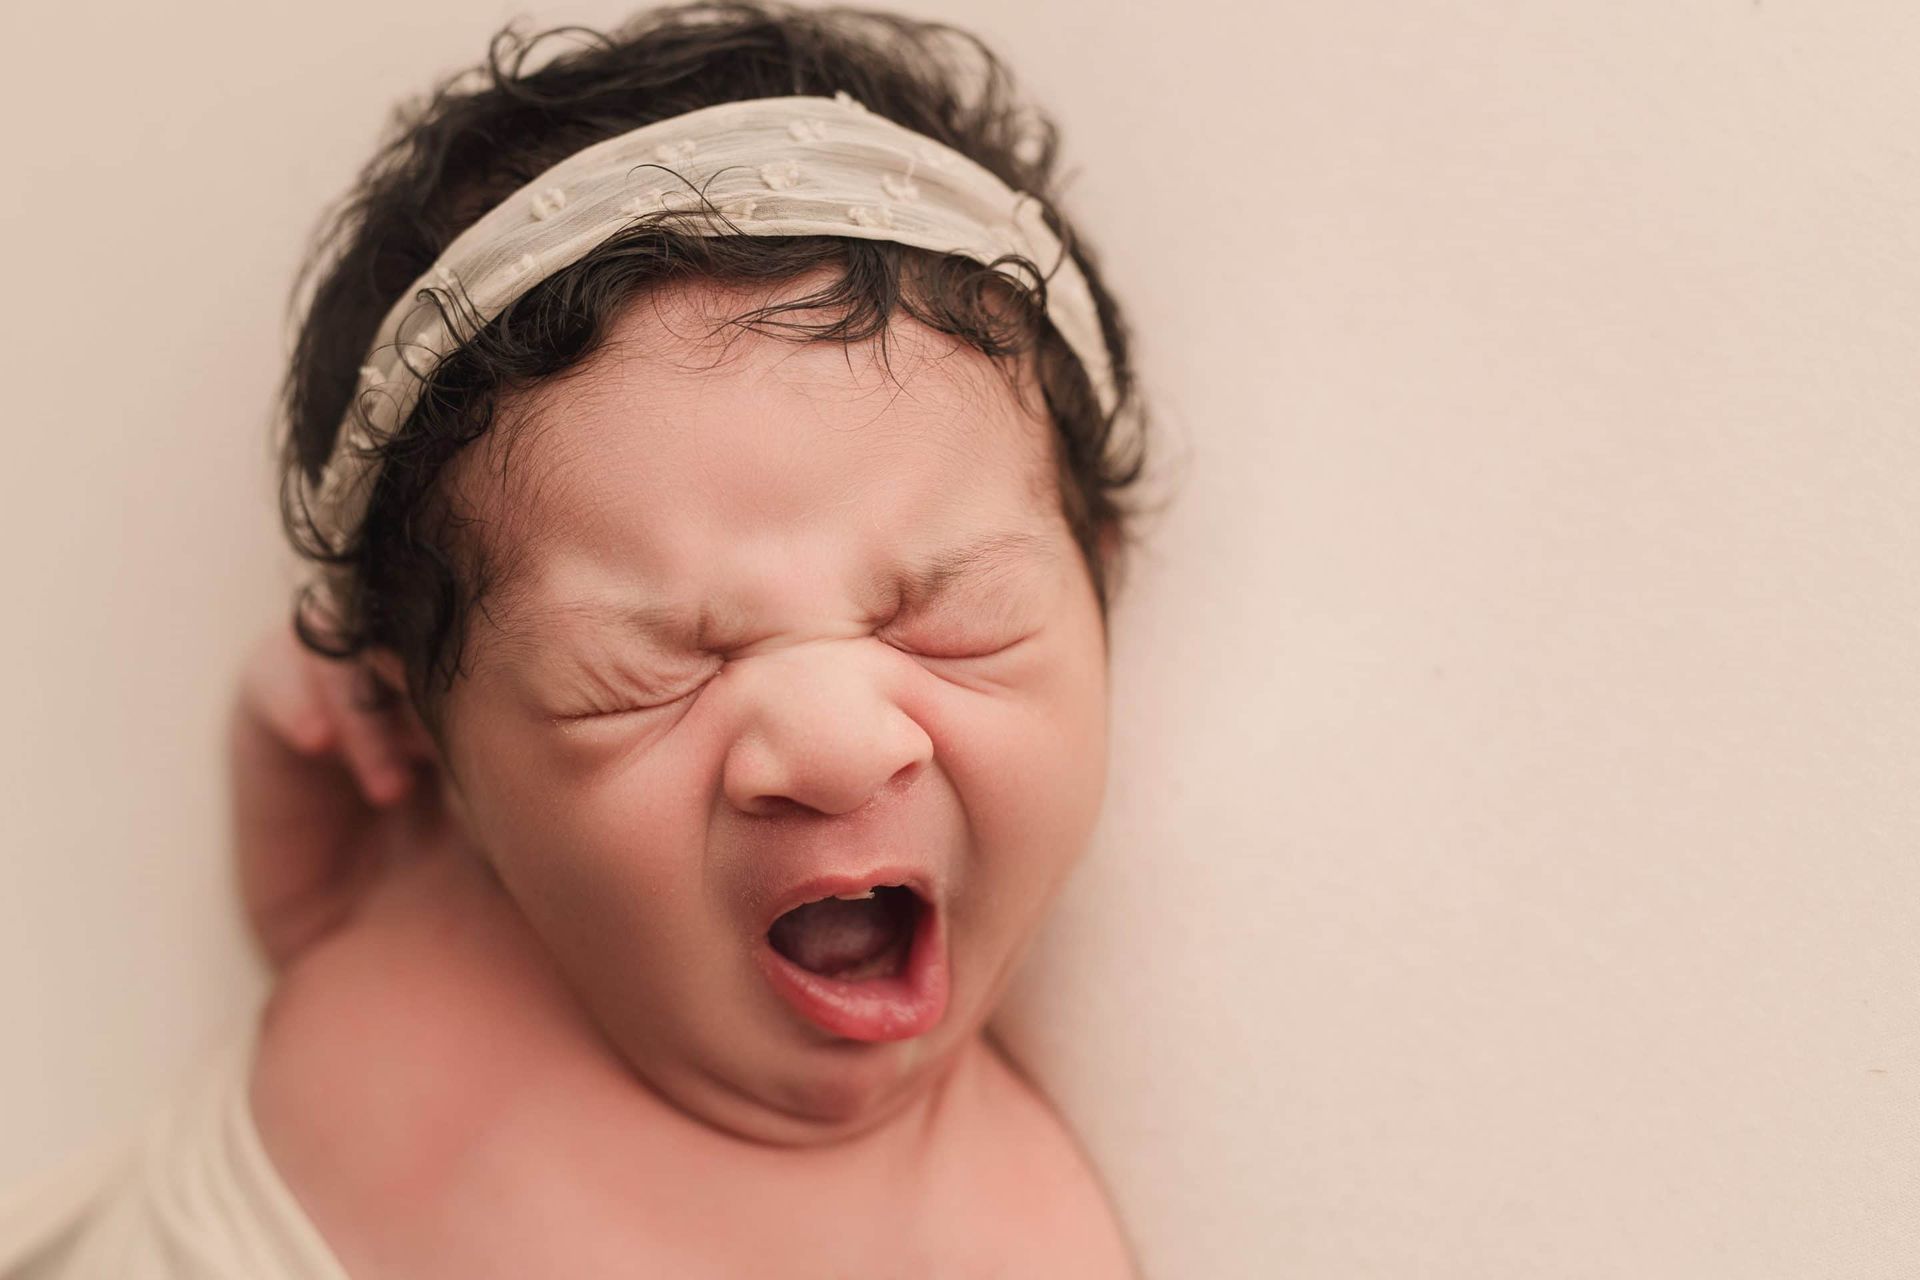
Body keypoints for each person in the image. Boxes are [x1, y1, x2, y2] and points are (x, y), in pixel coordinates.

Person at [7, 3, 1154, 1274]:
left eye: (954, 617)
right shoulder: (423, 895)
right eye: (644, 670)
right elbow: (306, 908)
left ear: (1100, 588)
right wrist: (286, 725)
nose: (831, 743)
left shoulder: (1010, 1233)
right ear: (437, 743)